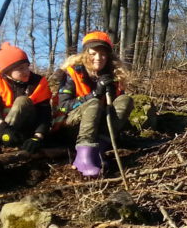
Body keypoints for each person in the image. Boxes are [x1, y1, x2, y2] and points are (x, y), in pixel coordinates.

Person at [51, 31, 134, 178]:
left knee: (125, 100)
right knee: (94, 103)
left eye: (103, 54)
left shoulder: (113, 75)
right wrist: (94, 94)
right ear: (85, 54)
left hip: (99, 129)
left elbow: (115, 111)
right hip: (70, 127)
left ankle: (98, 151)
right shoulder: (71, 73)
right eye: (93, 53)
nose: (98, 58)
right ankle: (83, 158)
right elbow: (63, 106)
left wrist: (111, 91)